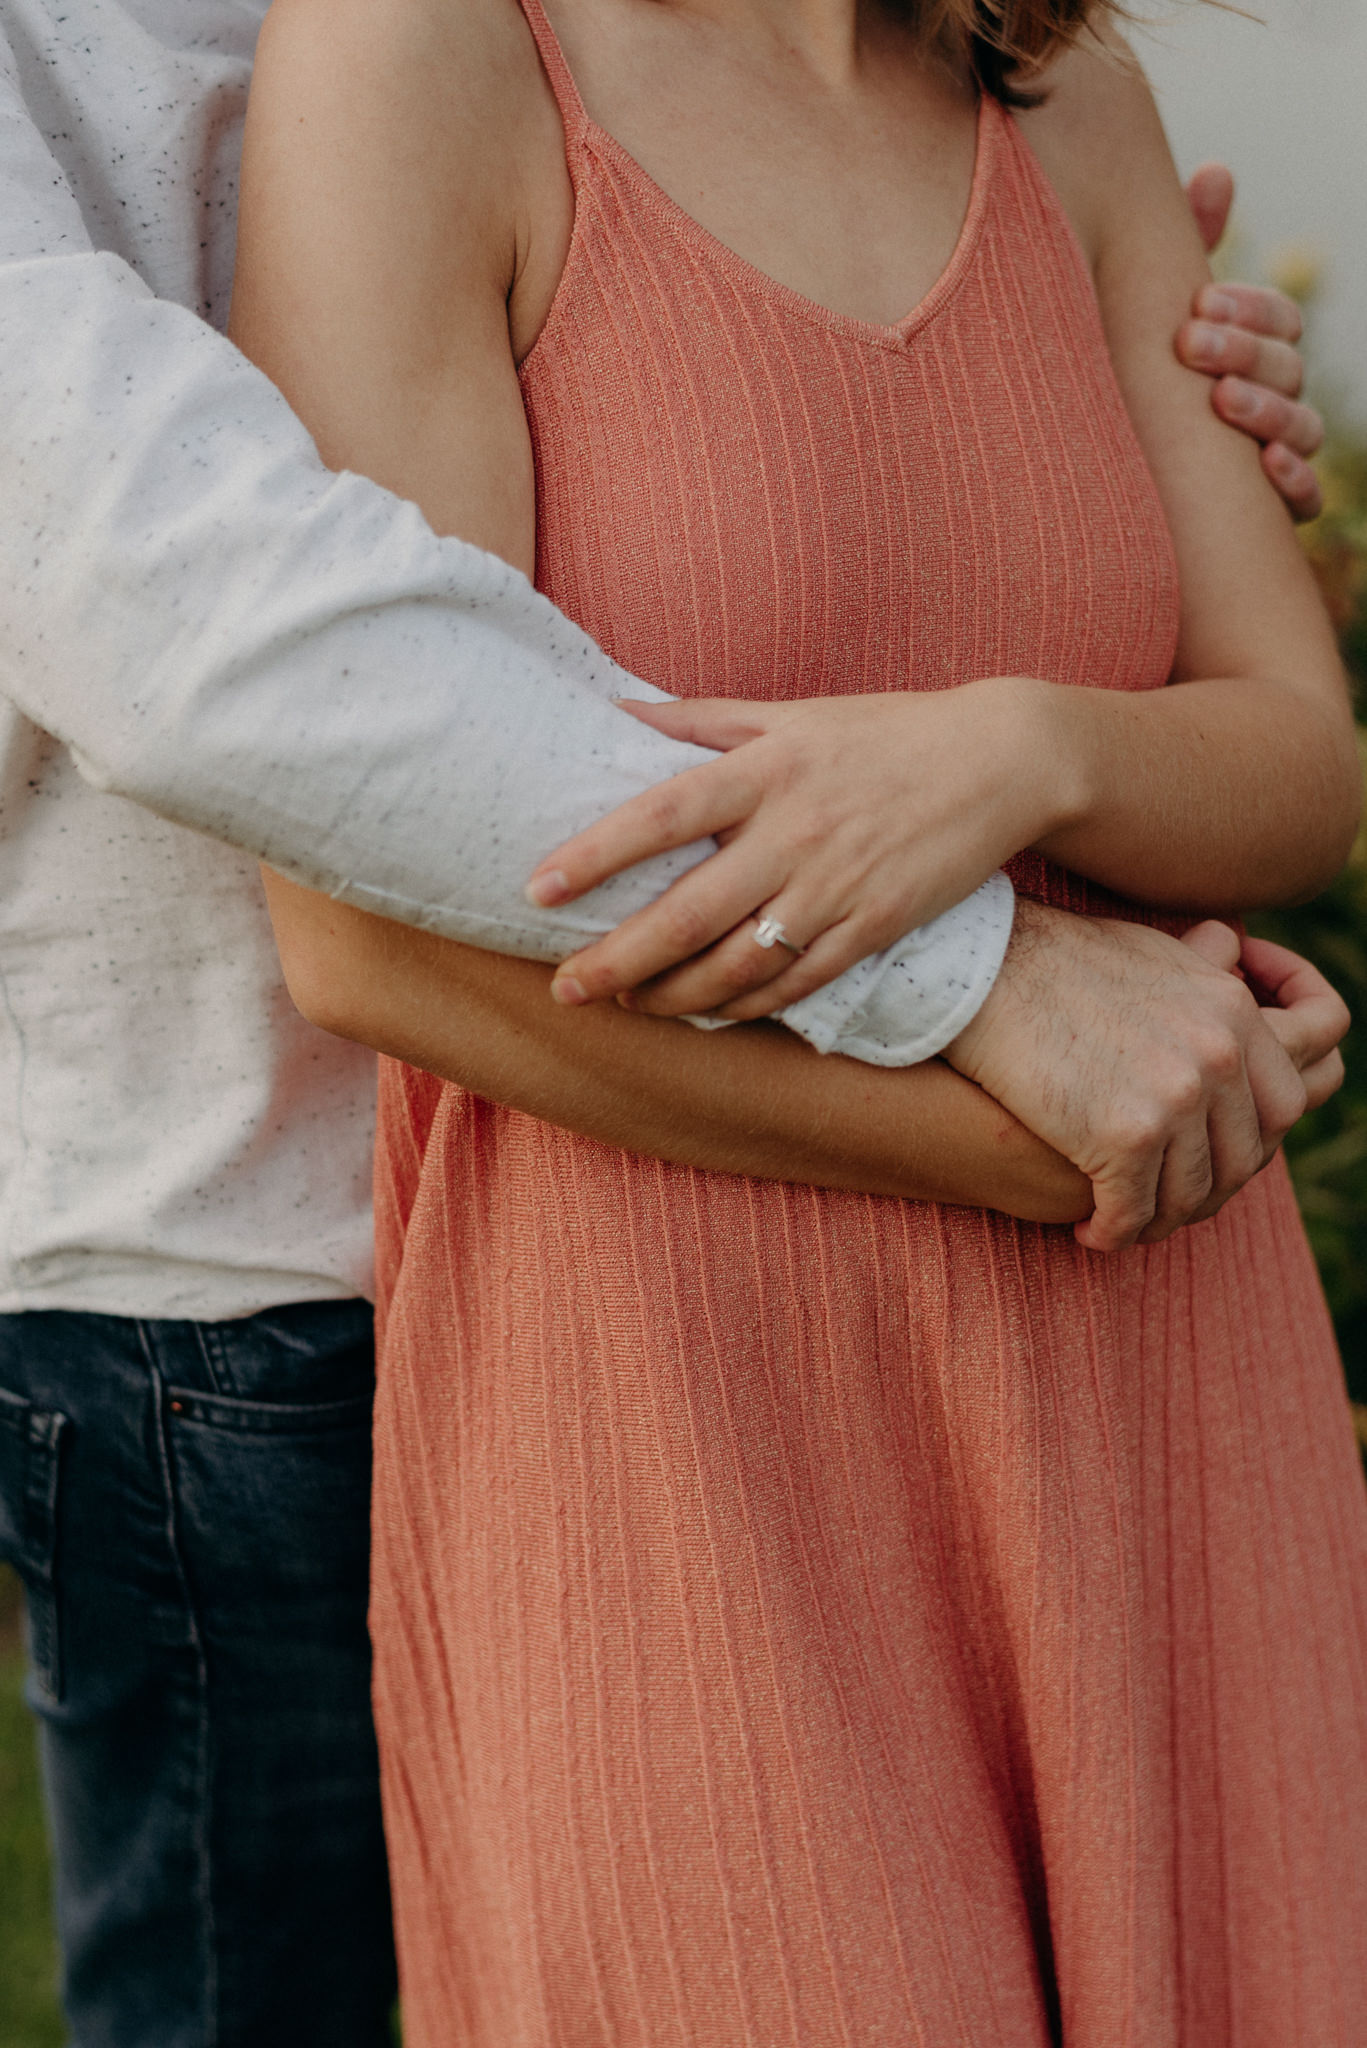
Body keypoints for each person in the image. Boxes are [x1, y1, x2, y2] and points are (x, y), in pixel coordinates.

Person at [0, 4, 1337, 2047]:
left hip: (1122, 1367)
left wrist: (1031, 740)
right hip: (525, 1342)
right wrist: (1018, 1042)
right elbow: (252, 728)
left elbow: (1291, 753)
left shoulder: (1059, 102)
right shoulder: (412, 61)